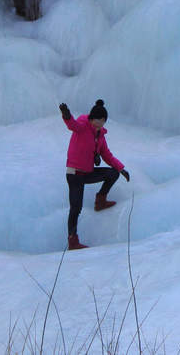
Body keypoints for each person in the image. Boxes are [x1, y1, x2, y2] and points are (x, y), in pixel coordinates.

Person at [60, 99, 130, 250]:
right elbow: (72, 125)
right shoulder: (82, 126)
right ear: (91, 118)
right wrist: (66, 115)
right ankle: (73, 240)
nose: (100, 123)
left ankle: (100, 201)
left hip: (87, 173)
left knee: (113, 173)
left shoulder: (100, 136)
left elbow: (107, 155)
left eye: (103, 120)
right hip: (74, 175)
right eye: (97, 120)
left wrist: (121, 168)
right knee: (75, 208)